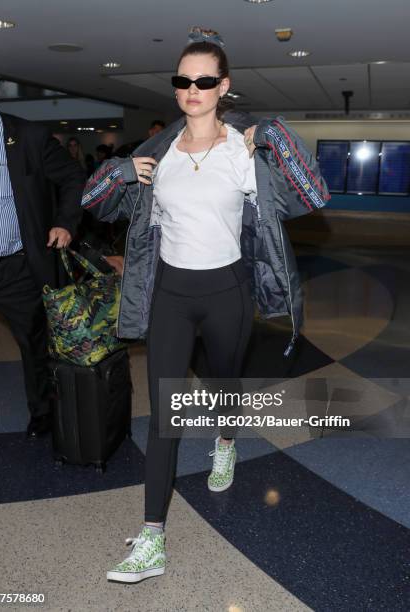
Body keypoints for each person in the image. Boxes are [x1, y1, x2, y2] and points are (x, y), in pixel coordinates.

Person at [81, 27, 330, 583]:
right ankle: (152, 537)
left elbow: (313, 195)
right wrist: (120, 171)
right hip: (170, 294)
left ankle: (225, 441)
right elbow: (92, 203)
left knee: (223, 386)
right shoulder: (157, 153)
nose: (192, 89)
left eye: (204, 80)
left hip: (227, 292)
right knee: (164, 416)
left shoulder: (242, 152)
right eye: (183, 80)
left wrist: (275, 138)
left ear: (224, 87)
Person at [0, 64, 85, 446]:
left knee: (35, 346)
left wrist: (64, 222)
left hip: (21, 266)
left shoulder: (29, 137)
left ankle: (42, 412)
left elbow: (74, 178)